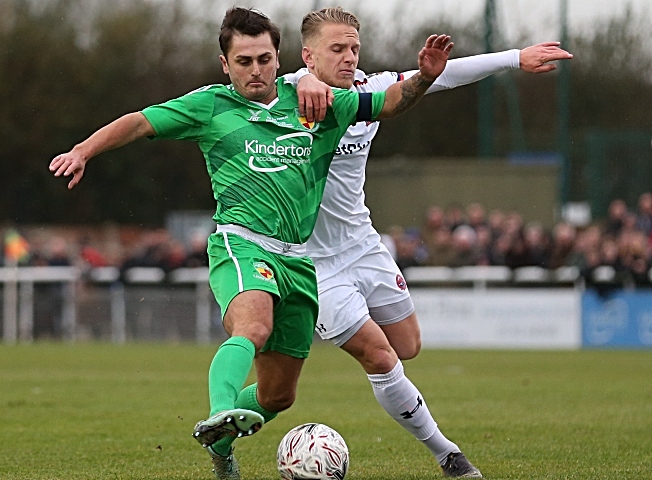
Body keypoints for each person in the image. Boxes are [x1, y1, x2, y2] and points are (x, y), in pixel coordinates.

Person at [49, 7, 452, 479]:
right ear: (225, 65)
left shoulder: (314, 103)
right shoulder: (210, 105)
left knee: (278, 394)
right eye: (243, 61)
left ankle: (221, 444)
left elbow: (384, 103)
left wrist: (423, 79)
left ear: (279, 59)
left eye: (263, 58)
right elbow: (139, 122)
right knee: (253, 327)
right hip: (241, 244)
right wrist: (82, 151)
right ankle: (219, 410)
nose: (255, 69)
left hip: (300, 260)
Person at [282, 6, 573, 478]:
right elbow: (257, 87)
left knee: (407, 345)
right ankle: (448, 454)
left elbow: (444, 75)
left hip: (364, 246)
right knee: (379, 356)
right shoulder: (286, 95)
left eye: (355, 47)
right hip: (314, 263)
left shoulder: (369, 92)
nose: (350, 57)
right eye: (337, 49)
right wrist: (299, 82)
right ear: (307, 55)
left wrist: (517, 57)